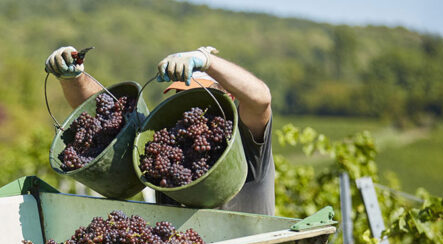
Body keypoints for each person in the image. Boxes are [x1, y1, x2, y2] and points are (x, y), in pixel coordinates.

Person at [45, 46, 275, 215]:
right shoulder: (162, 145)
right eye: (181, 94)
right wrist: (74, 79)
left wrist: (206, 62)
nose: (189, 105)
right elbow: (108, 121)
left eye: (201, 95)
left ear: (230, 97)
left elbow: (261, 99)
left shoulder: (244, 139)